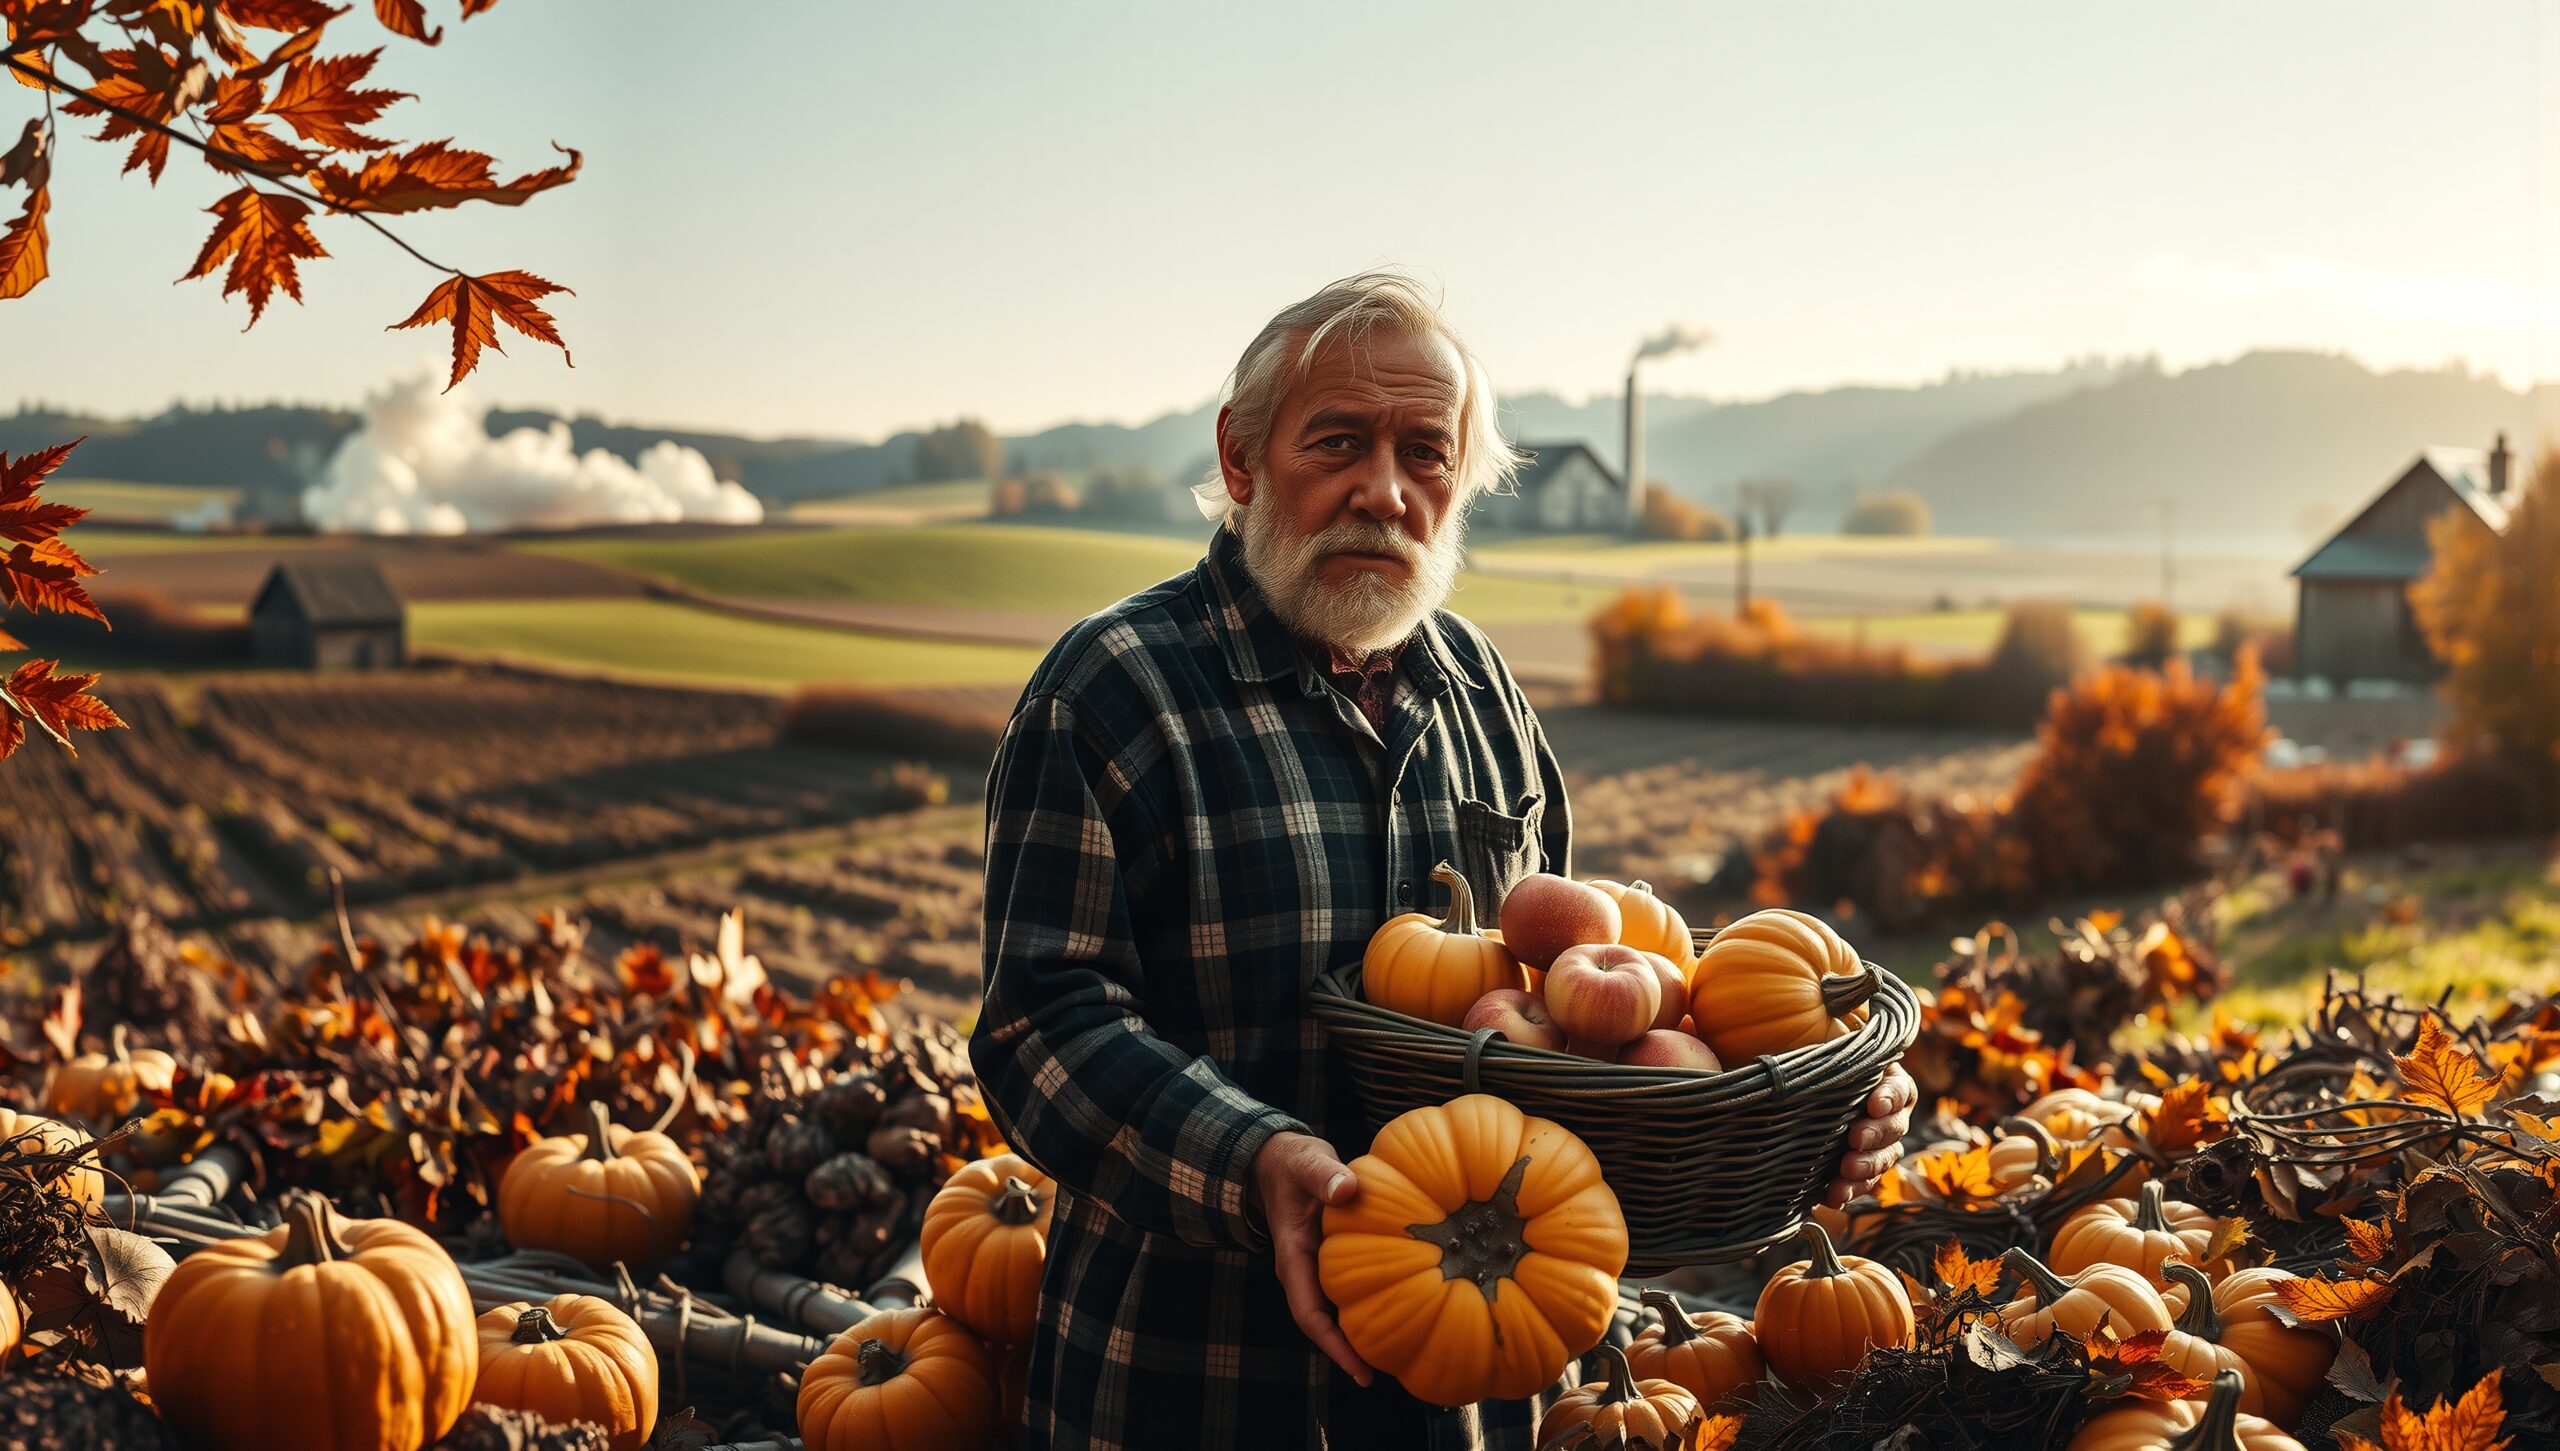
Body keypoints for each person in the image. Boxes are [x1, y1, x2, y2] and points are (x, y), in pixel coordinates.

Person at [970, 271, 1916, 1450]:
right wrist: (1254, 1158)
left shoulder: (1481, 691)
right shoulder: (1114, 688)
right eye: (1338, 442)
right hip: (1191, 1375)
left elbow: (1573, 1021)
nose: (1384, 489)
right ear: (1241, 456)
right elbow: (1038, 1024)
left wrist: (1806, 1098)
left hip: (1467, 1396)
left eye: (1426, 452)